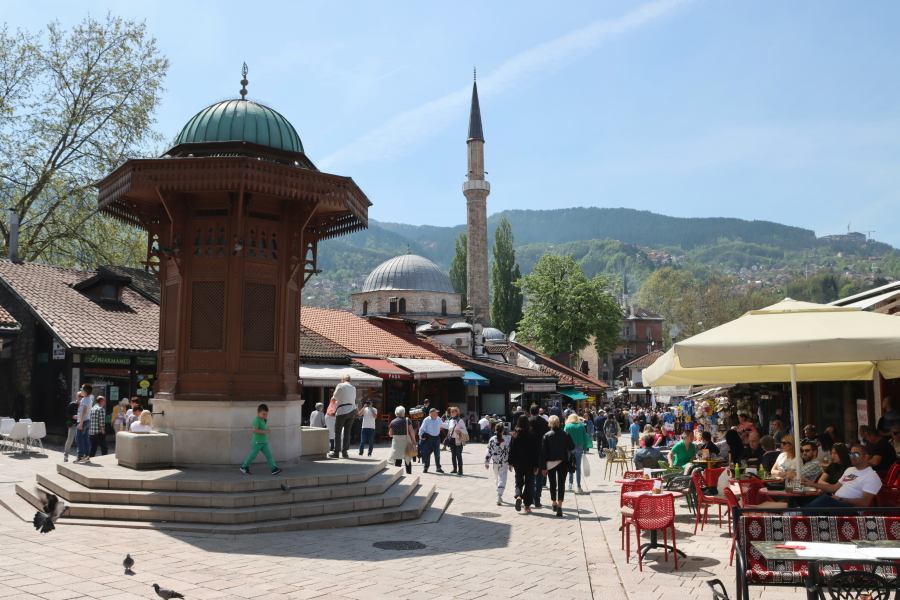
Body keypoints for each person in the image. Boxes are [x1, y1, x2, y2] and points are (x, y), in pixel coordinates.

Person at [805, 444, 882, 508]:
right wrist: (812, 484)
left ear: (866, 457)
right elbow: (834, 488)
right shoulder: (850, 470)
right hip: (836, 503)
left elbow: (864, 503)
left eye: (856, 454)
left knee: (824, 500)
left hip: (850, 509)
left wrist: (840, 499)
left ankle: (800, 515)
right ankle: (801, 514)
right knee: (820, 499)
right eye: (851, 454)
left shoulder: (872, 476)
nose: (852, 456)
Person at [540, 415, 574, 518]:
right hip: (562, 462)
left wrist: (543, 467)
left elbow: (543, 453)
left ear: (550, 423)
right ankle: (560, 505)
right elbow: (572, 446)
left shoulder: (546, 435)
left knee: (552, 483)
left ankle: (554, 502)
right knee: (561, 484)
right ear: (559, 423)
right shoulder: (565, 434)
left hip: (550, 463)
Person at [239, 403, 282, 475]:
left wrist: (267, 429)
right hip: (257, 442)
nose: (265, 416)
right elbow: (254, 430)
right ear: (258, 413)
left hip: (264, 442)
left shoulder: (264, 420)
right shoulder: (256, 420)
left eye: (266, 414)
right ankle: (244, 467)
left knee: (269, 455)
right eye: (263, 414)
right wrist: (264, 431)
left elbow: (264, 427)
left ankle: (274, 469)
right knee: (252, 456)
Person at [509, 415, 538, 514]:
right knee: (529, 484)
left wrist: (510, 463)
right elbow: (535, 451)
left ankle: (518, 496)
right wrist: (536, 465)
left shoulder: (515, 435)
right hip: (529, 463)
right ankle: (527, 506)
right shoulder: (532, 434)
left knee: (518, 481)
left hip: (518, 463)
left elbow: (511, 450)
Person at [328, 375, 357, 459]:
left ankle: (336, 452)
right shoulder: (353, 387)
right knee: (347, 432)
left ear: (343, 379)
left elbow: (334, 397)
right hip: (352, 410)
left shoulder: (340, 385)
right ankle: (345, 452)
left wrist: (331, 407)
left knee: (338, 432)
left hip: (342, 410)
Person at [528, 405, 549, 509]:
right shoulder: (544, 422)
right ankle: (537, 500)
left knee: (530, 477)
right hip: (541, 452)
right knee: (539, 477)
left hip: (529, 452)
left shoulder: (527, 421)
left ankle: (530, 498)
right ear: (538, 411)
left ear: (530, 411)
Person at [484, 422, 510, 505]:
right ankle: (499, 495)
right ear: (503, 430)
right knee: (502, 478)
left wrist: (487, 462)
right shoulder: (507, 439)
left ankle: (499, 494)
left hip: (495, 462)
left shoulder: (492, 439)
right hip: (504, 462)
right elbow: (510, 451)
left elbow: (489, 451)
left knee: (497, 478)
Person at [564, 413, 591, 493]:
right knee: (578, 466)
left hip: (569, 448)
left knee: (570, 465)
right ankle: (579, 486)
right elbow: (585, 438)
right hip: (579, 447)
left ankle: (570, 484)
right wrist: (585, 448)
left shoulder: (567, 426)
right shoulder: (581, 426)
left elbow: (564, 437)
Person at [388, 406, 415, 474]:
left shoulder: (393, 422)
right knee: (407, 459)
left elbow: (390, 434)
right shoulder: (407, 420)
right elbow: (411, 431)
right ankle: (409, 474)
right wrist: (414, 441)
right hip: (406, 442)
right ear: (403, 412)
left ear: (396, 413)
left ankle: (398, 474)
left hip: (397, 443)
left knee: (398, 458)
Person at [418, 408, 445, 473]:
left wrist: (451, 426)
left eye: (437, 413)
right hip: (429, 438)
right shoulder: (426, 420)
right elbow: (422, 429)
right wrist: (420, 436)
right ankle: (426, 467)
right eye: (435, 413)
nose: (437, 414)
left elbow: (443, 425)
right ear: (431, 414)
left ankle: (438, 468)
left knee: (437, 454)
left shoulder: (438, 418)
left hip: (437, 438)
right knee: (427, 454)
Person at [445, 406, 468, 475]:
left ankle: (460, 470)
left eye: (453, 412)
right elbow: (448, 428)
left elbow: (465, 431)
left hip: (458, 440)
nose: (451, 413)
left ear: (456, 412)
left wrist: (460, 430)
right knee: (453, 455)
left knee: (458, 455)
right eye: (451, 412)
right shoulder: (450, 420)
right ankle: (454, 469)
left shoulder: (460, 420)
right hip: (452, 440)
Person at [74, 384, 94, 464]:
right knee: (85, 439)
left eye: (82, 389)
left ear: (85, 391)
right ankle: (86, 456)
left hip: (83, 421)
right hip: (86, 420)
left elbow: (84, 411)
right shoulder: (87, 398)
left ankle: (80, 456)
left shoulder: (86, 399)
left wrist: (81, 423)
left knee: (79, 439)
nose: (81, 390)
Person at [63, 392, 82, 462]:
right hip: (73, 425)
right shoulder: (72, 404)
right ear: (76, 397)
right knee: (70, 440)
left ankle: (79, 456)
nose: (81, 397)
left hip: (80, 424)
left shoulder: (83, 405)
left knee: (79, 441)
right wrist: (72, 416)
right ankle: (66, 455)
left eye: (82, 396)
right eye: (79, 396)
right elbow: (66, 414)